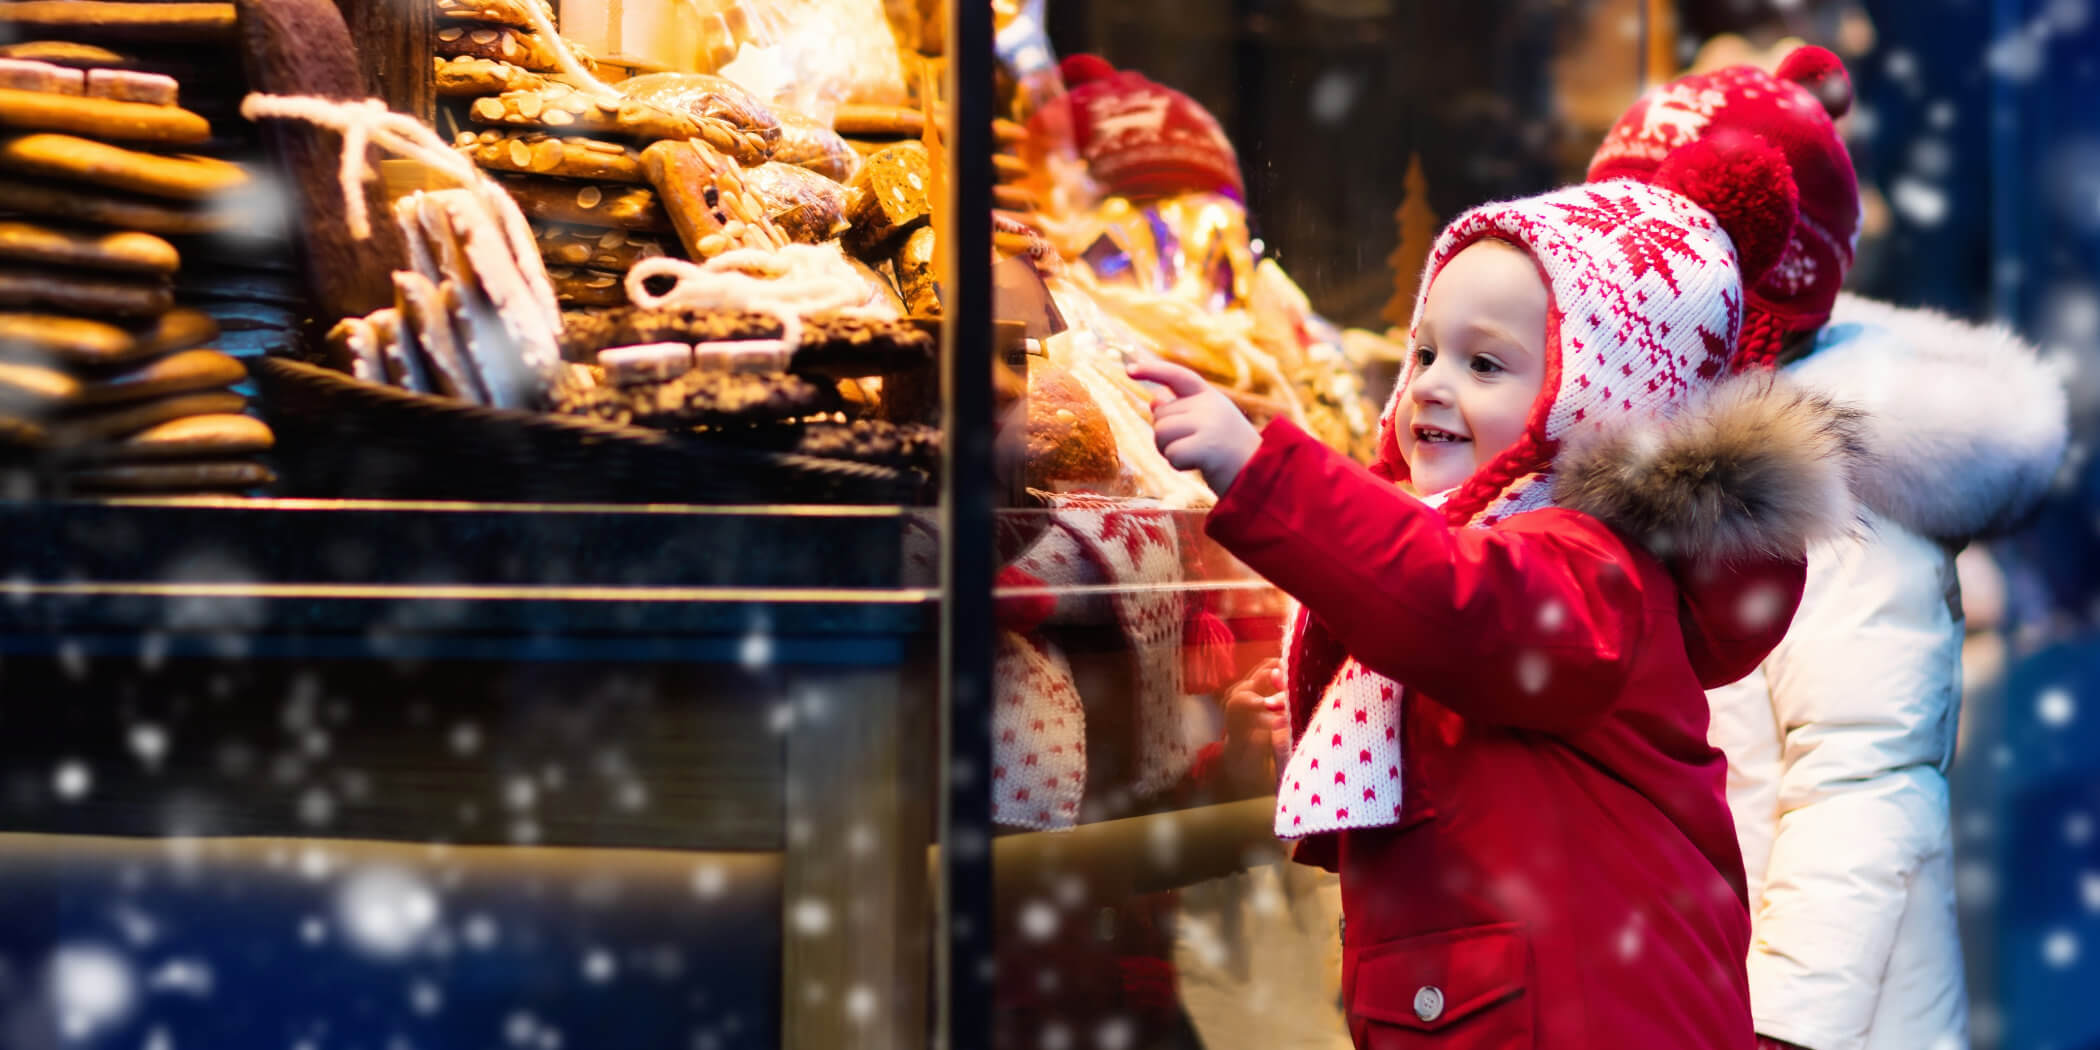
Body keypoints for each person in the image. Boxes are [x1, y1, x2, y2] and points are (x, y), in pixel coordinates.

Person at [1131, 135, 1860, 1048]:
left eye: (1486, 365)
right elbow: (1449, 697)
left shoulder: (1588, 566)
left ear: (1595, 399)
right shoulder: (1501, 565)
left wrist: (1266, 472)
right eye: (1427, 351)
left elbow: (1448, 602)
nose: (1431, 386)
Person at [1587, 47, 2069, 1050]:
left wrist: (1782, 1032)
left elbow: (1863, 792)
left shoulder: (1834, 494)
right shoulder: (1669, 461)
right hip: (1690, 990)